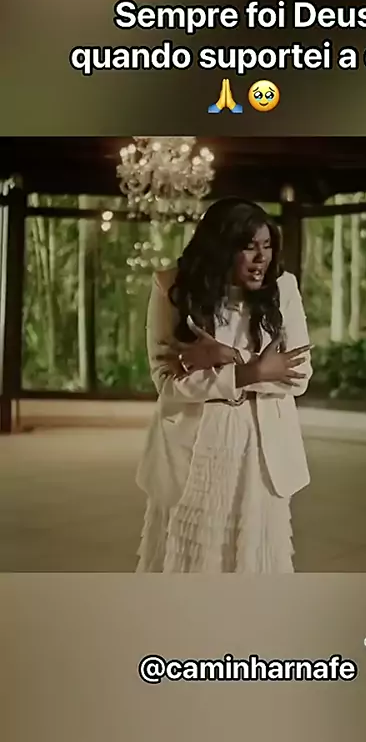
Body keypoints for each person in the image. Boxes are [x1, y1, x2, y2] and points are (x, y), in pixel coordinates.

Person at [135, 197, 312, 573]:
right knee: (191, 563)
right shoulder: (172, 288)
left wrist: (229, 357)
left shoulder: (283, 289)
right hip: (197, 449)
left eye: (267, 246)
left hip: (260, 452)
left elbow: (297, 376)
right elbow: (167, 383)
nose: (261, 258)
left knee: (255, 567)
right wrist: (253, 372)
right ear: (220, 248)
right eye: (248, 247)